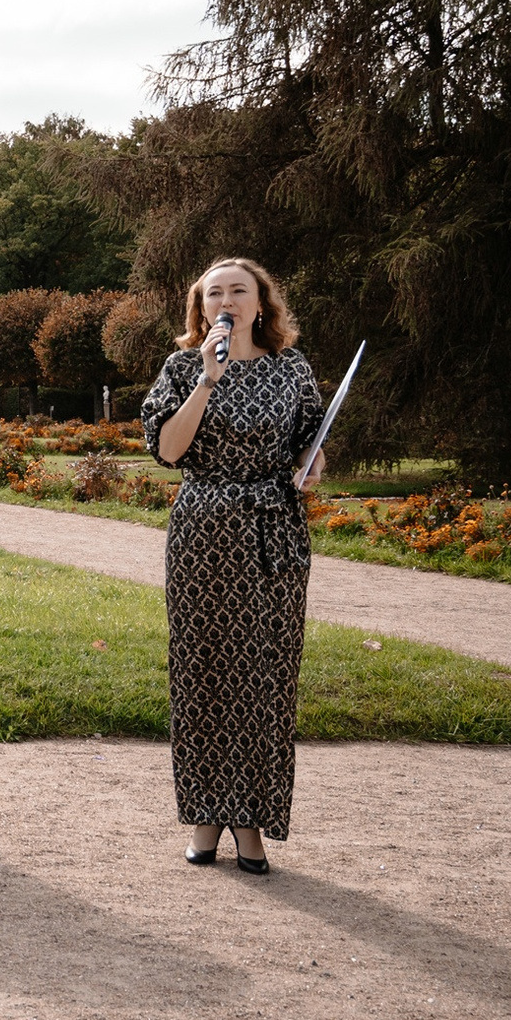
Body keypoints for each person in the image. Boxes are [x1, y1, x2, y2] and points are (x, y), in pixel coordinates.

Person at [141, 257, 326, 877]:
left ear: (261, 303)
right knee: (204, 669)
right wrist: (206, 380)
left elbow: (310, 445)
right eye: (213, 291)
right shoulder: (180, 368)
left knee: (264, 676)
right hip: (204, 532)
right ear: (200, 306)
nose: (226, 299)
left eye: (238, 290)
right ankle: (203, 819)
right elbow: (169, 449)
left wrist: (311, 463)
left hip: (273, 534)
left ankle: (250, 825)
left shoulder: (292, 370)